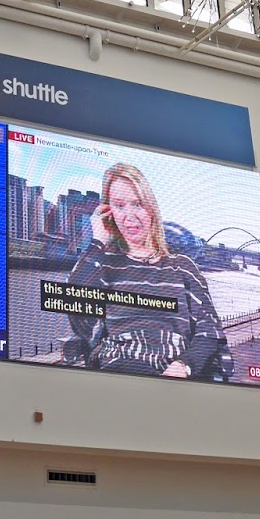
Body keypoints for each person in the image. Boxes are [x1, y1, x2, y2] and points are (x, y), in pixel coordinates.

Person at [61, 163, 229, 380]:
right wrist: (97, 243)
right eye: (119, 206)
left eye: (137, 204)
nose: (129, 216)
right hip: (116, 372)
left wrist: (185, 365)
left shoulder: (183, 267)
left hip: (173, 376)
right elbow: (79, 322)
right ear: (108, 212)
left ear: (151, 208)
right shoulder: (104, 265)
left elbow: (210, 330)